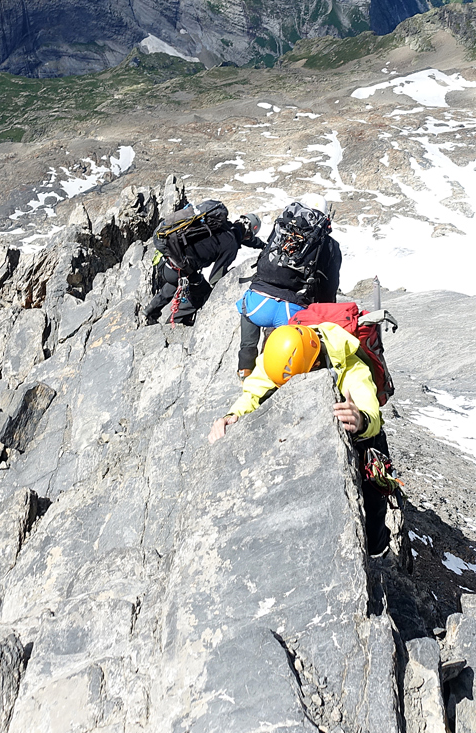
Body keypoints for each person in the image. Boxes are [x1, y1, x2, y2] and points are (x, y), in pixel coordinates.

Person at [209, 322, 394, 552]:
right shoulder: (281, 354)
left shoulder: (349, 364)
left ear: (315, 364)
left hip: (366, 439)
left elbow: (372, 414)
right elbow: (254, 392)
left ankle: (378, 549)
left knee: (373, 510)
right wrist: (231, 416)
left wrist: (361, 420)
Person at [236, 201, 342, 378]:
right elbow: (328, 288)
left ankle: (245, 368)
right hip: (291, 312)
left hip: (257, 304)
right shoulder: (329, 244)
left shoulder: (284, 229)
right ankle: (270, 377)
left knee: (246, 310)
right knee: (282, 353)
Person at [145, 208, 261, 325]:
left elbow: (242, 237)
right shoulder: (231, 246)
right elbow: (215, 278)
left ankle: (150, 311)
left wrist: (261, 245)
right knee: (203, 293)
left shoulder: (221, 224)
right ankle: (174, 324)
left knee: (181, 278)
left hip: (166, 262)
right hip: (179, 271)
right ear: (248, 235)